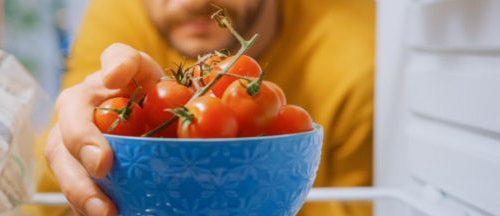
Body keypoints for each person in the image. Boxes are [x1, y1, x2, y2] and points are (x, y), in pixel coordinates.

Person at [38, 0, 374, 215]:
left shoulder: (361, 50)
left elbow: (367, 205)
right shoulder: (121, 12)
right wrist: (78, 147)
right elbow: (54, 185)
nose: (191, 3)